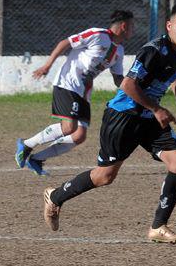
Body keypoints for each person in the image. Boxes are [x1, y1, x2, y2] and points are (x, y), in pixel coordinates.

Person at [43, 3, 176, 244]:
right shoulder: (153, 50)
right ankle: (55, 196)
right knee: (105, 177)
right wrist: (157, 108)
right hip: (123, 116)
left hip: (148, 118)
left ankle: (158, 227)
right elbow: (128, 84)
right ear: (169, 26)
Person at [16, 10, 135, 176]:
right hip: (68, 82)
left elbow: (118, 78)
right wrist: (47, 65)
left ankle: (36, 159)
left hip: (84, 91)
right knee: (69, 127)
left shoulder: (119, 51)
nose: (133, 30)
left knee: (79, 135)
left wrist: (135, 90)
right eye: (132, 26)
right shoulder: (98, 34)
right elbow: (65, 43)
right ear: (124, 26)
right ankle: (27, 144)